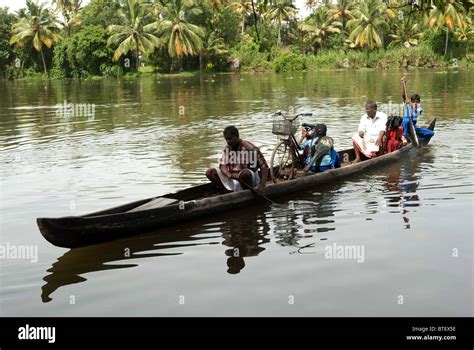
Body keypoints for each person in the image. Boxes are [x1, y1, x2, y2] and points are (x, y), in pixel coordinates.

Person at [206, 126, 269, 193]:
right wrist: (230, 175)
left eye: (230, 139)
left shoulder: (249, 147)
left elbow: (264, 167)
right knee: (210, 172)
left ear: (237, 136)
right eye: (226, 139)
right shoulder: (228, 148)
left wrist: (262, 185)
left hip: (249, 179)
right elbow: (222, 166)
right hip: (233, 178)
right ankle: (228, 192)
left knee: (244, 174)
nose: (228, 142)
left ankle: (247, 192)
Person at [400, 76, 435, 143]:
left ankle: (418, 140)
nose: (415, 103)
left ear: (419, 102)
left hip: (413, 128)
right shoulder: (408, 105)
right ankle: (404, 136)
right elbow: (403, 95)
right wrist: (403, 84)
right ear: (412, 101)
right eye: (414, 102)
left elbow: (415, 111)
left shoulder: (419, 109)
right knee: (406, 120)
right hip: (406, 127)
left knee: (431, 133)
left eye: (417, 102)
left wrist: (410, 103)